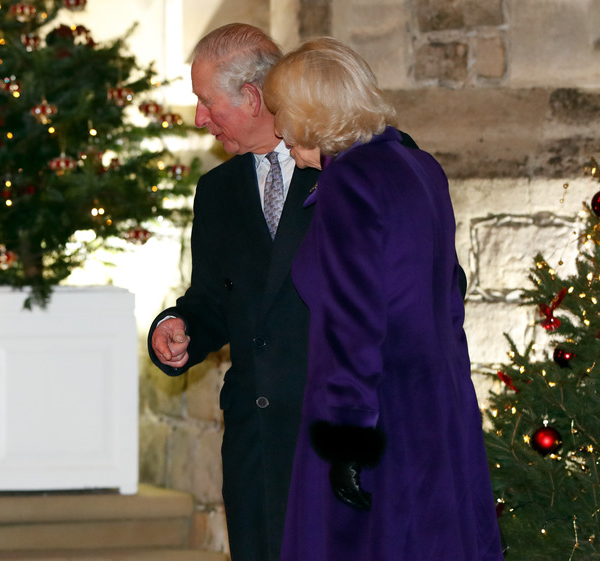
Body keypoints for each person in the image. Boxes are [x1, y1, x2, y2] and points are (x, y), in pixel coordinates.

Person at [262, 37, 503, 560]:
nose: (278, 132)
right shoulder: (420, 166)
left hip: (379, 414)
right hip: (437, 403)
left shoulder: (351, 181)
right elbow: (450, 299)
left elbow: (353, 323)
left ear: (310, 114)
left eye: (281, 113)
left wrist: (346, 437)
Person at [147, 23, 317, 561]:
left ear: (251, 97)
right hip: (256, 438)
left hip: (330, 429)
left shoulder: (341, 170)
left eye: (205, 102)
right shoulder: (217, 190)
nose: (199, 118)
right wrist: (179, 328)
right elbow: (212, 301)